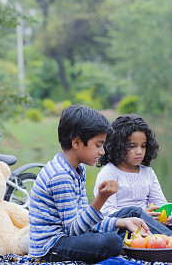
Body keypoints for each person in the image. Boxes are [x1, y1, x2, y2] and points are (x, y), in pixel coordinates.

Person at [28, 105, 151, 264]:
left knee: (124, 226)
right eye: (98, 145)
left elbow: (83, 218)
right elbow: (73, 230)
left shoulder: (78, 169)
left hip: (68, 238)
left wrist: (122, 222)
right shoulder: (60, 175)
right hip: (50, 247)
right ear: (77, 142)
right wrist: (101, 198)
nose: (102, 152)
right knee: (112, 241)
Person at [94, 114, 172, 238]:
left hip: (152, 223)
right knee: (124, 237)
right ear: (117, 145)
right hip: (125, 227)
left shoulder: (147, 172)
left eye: (143, 146)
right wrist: (140, 215)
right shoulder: (109, 173)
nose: (139, 151)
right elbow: (106, 213)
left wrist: (167, 218)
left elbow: (160, 204)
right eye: (132, 146)